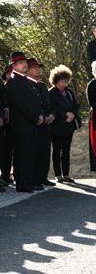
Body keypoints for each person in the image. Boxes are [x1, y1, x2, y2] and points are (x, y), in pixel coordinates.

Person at [6, 52, 42, 192]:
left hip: (30, 123)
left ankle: (29, 181)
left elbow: (33, 101)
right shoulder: (14, 81)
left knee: (29, 153)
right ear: (14, 66)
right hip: (21, 124)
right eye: (20, 63)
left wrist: (38, 115)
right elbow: (21, 104)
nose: (24, 64)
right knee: (22, 154)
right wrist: (35, 117)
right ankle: (22, 184)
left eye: (25, 62)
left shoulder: (24, 80)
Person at [27, 58, 56, 187]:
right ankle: (34, 180)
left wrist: (51, 115)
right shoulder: (27, 85)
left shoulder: (42, 85)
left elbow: (49, 103)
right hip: (35, 124)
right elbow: (30, 106)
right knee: (34, 153)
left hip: (46, 124)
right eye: (34, 68)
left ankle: (43, 177)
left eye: (38, 67)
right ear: (28, 70)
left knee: (45, 152)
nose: (37, 69)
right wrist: (40, 116)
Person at [49, 65, 79, 183]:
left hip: (68, 126)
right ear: (56, 81)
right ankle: (58, 174)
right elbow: (52, 108)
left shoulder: (70, 91)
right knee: (56, 150)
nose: (64, 84)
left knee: (66, 151)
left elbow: (76, 104)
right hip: (56, 126)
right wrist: (65, 114)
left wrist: (72, 113)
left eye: (66, 81)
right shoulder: (51, 93)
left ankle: (66, 174)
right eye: (62, 81)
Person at [0, 64, 14, 187]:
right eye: (9, 74)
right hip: (5, 124)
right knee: (5, 150)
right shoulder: (4, 87)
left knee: (11, 151)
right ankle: (4, 175)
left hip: (15, 124)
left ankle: (8, 174)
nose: (11, 75)